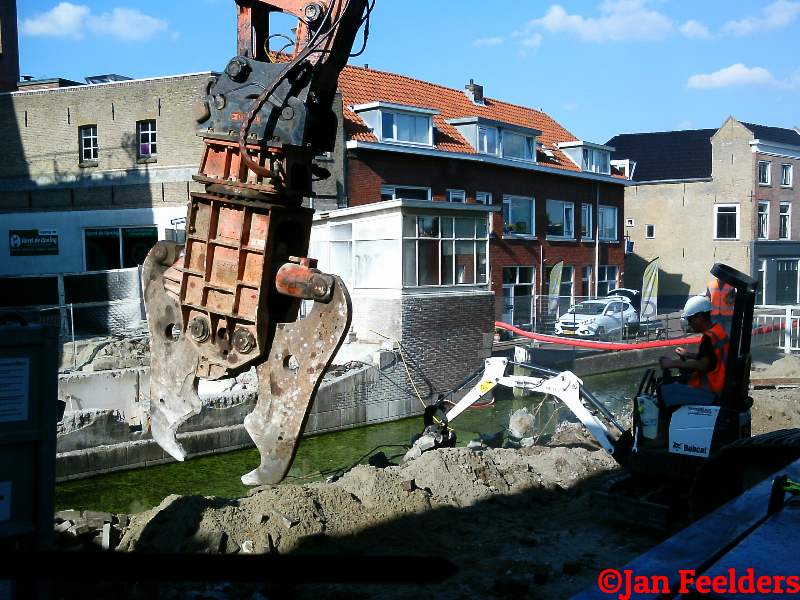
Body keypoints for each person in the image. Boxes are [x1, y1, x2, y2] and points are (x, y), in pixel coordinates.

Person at [646, 296, 730, 446]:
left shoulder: (708, 338)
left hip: (711, 391)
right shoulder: (718, 332)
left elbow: (703, 366)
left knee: (663, 391)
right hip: (719, 386)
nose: (689, 324)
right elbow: (711, 358)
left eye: (690, 320)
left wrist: (672, 363)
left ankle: (664, 436)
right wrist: (688, 355)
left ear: (700, 317)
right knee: (674, 383)